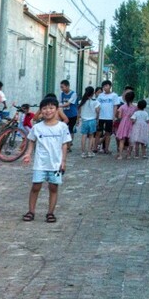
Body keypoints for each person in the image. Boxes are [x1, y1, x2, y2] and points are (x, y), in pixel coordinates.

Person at [21, 95, 72, 223]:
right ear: (40, 111)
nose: (48, 111)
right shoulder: (37, 127)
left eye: (51, 108)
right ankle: (31, 211)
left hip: (55, 164)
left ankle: (50, 213)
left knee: (53, 187)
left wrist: (63, 161)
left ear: (56, 110)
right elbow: (32, 140)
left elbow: (64, 144)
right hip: (40, 163)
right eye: (44, 108)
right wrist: (28, 154)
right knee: (36, 186)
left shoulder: (62, 127)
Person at [95, 81, 122, 155]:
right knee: (98, 132)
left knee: (108, 133)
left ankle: (106, 148)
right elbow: (97, 105)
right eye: (103, 86)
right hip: (101, 117)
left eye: (106, 86)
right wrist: (97, 116)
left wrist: (114, 116)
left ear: (110, 86)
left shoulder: (114, 95)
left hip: (109, 117)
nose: (105, 88)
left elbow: (115, 106)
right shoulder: (100, 96)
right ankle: (95, 147)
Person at [115, 89, 137, 159]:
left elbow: (119, 116)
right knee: (130, 140)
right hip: (131, 123)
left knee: (122, 140)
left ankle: (120, 155)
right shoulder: (134, 107)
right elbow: (135, 117)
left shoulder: (122, 107)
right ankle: (128, 155)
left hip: (123, 123)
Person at [77, 86, 98, 158]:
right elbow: (98, 111)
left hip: (84, 121)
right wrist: (97, 119)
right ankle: (89, 151)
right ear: (93, 93)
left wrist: (77, 120)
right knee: (91, 136)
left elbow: (79, 113)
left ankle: (83, 152)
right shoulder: (95, 102)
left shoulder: (81, 102)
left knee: (84, 136)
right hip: (92, 120)